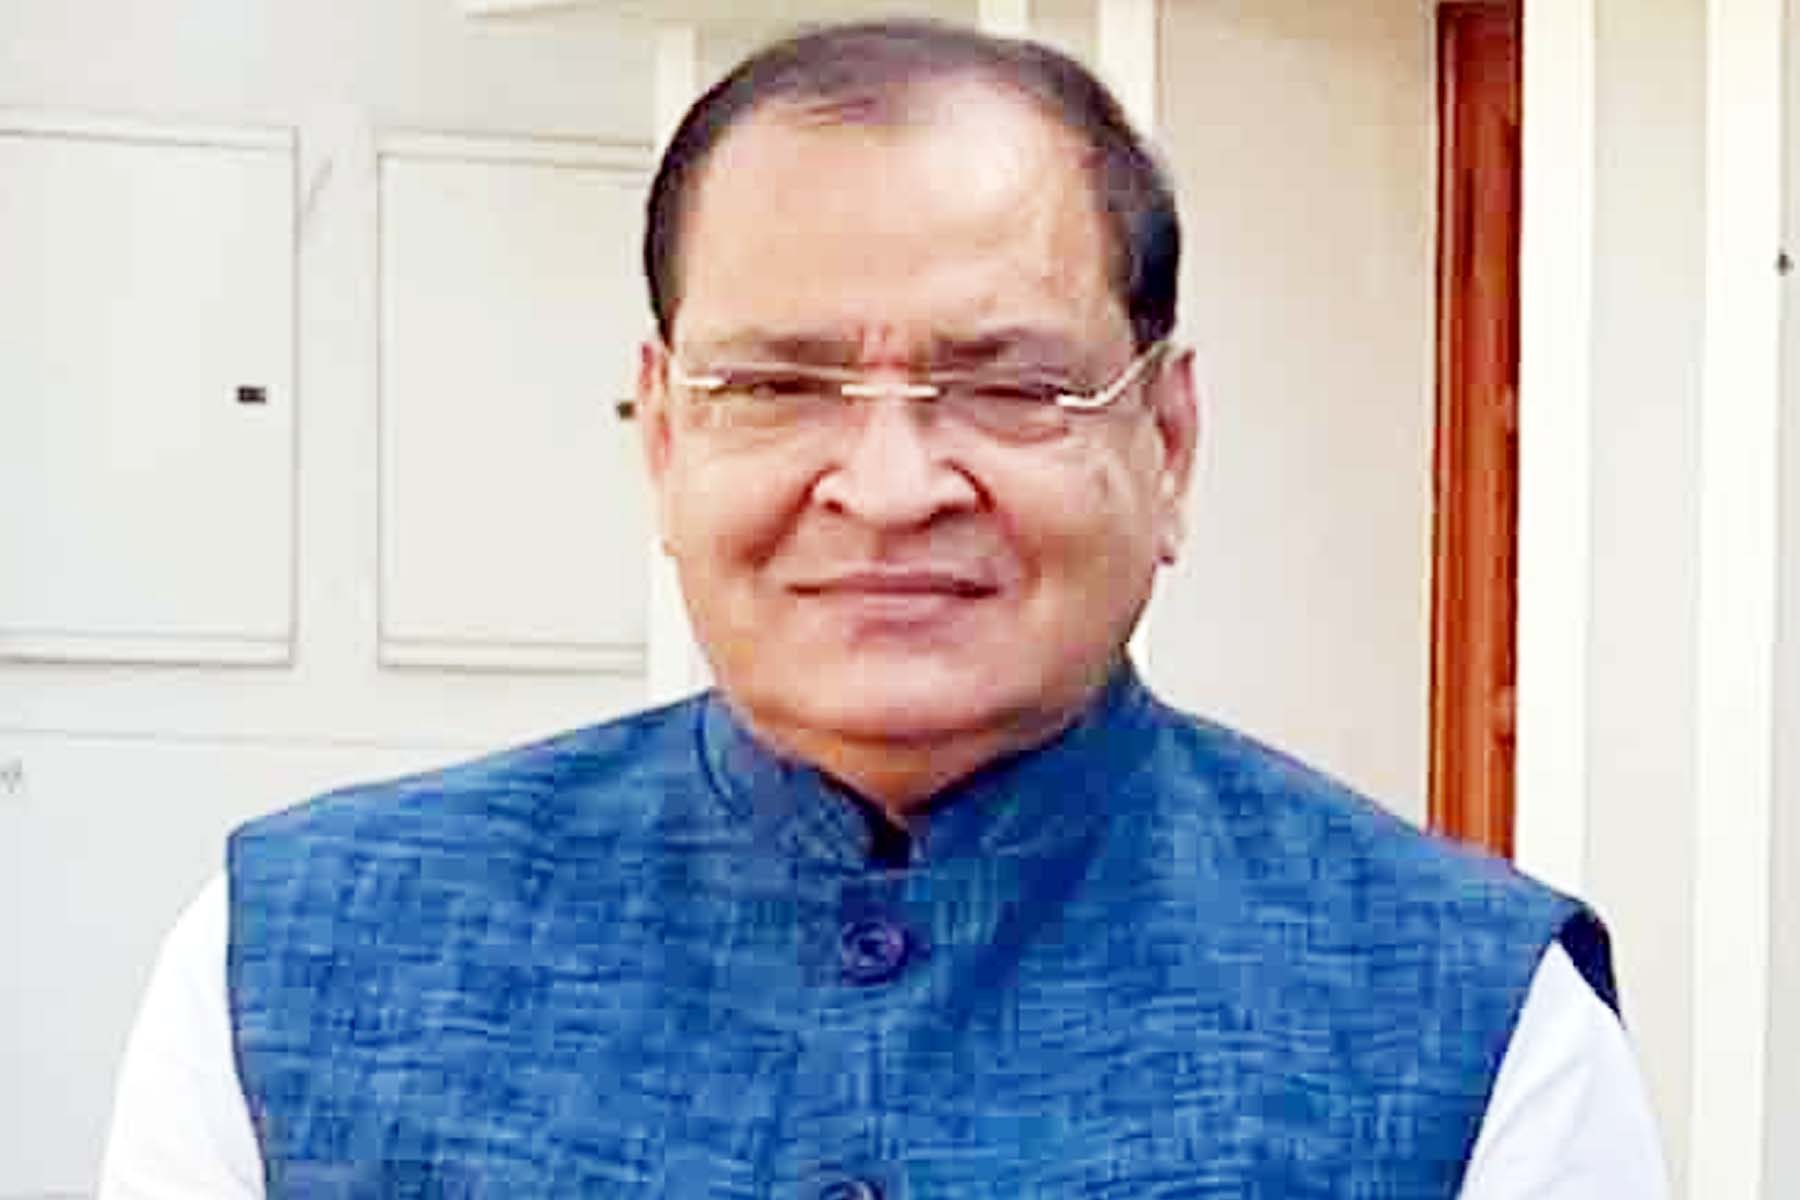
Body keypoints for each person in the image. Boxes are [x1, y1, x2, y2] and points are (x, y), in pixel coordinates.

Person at [100, 19, 1666, 1198]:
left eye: (1009, 385)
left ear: (1170, 440)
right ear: (664, 438)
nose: (892, 483)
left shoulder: (1471, 1024)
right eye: (779, 386)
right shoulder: (293, 962)